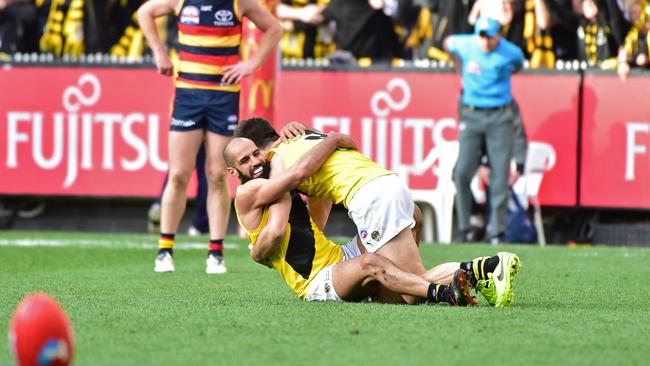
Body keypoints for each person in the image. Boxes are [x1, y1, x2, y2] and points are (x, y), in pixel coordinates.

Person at [231, 118, 522, 307]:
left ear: (263, 148)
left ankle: (486, 267)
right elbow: (318, 214)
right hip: (388, 185)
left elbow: (285, 211)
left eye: (256, 153)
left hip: (372, 198)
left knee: (412, 288)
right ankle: (468, 279)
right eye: (246, 160)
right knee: (396, 296)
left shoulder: (280, 162)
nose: (258, 161)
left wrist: (257, 251)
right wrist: (332, 137)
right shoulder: (307, 139)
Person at [138, 0, 282, 274]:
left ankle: (215, 252)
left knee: (217, 174)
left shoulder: (239, 2)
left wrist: (251, 64)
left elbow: (274, 29)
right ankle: (164, 250)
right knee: (179, 173)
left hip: (223, 96)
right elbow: (145, 11)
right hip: (187, 95)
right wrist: (159, 53)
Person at [444, 17, 524, 245]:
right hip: (472, 114)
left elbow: (519, 65)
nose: (485, 41)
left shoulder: (510, 51)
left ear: (499, 35)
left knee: (500, 177)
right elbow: (448, 42)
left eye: (490, 36)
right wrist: (459, 68)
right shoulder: (467, 44)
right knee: (461, 172)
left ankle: (497, 233)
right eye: (481, 35)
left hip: (499, 115)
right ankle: (465, 227)